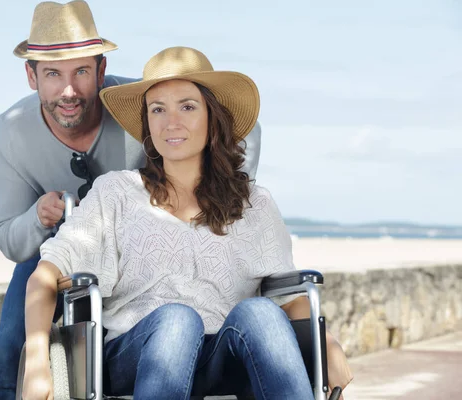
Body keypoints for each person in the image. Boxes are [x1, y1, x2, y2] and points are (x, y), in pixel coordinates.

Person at [22, 46, 353, 400]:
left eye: (188, 106)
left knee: (260, 312)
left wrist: (327, 343)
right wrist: (37, 362)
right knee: (178, 321)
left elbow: (287, 297)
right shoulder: (116, 193)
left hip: (222, 357)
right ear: (147, 122)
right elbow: (44, 276)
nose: (171, 123)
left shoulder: (253, 204)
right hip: (135, 355)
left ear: (213, 116)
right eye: (158, 109)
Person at [0, 1, 263, 399]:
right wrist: (37, 218)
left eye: (81, 71)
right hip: (62, 246)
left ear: (101, 70)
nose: (68, 90)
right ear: (31, 75)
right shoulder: (10, 134)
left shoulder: (142, 107)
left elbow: (240, 127)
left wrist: (222, 200)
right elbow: (9, 240)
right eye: (52, 74)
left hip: (137, 250)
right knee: (12, 347)